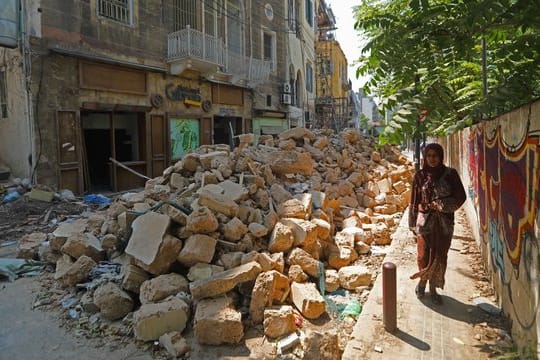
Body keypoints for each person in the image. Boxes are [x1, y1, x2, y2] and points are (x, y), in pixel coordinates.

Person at [408, 143, 466, 305]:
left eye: (435, 156)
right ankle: (422, 282)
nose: (432, 159)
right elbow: (414, 200)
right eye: (429, 156)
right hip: (424, 221)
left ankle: (433, 288)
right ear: (425, 157)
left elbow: (460, 197)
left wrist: (441, 205)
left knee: (440, 256)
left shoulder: (450, 174)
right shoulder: (420, 176)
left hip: (444, 223)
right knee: (423, 255)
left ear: (441, 157)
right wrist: (412, 223)